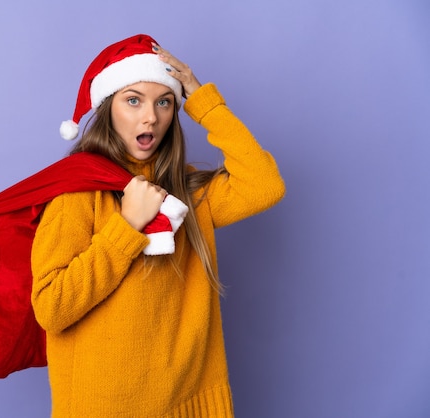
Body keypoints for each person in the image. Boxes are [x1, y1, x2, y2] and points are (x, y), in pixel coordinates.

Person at [30, 34, 285, 418]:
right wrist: (128, 226)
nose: (151, 116)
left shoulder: (188, 191)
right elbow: (52, 308)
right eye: (133, 100)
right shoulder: (78, 194)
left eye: (164, 102)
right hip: (106, 409)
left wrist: (203, 102)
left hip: (188, 403)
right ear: (107, 108)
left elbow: (264, 184)